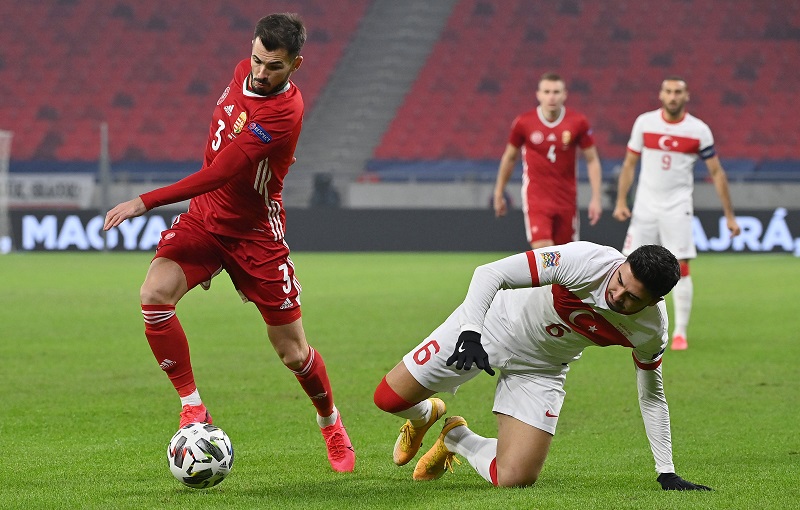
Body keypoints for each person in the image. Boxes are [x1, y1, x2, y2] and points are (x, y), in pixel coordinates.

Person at [103, 13, 355, 473]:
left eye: (274, 66)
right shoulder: (241, 73)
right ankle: (193, 407)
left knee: (294, 353)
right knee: (154, 295)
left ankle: (330, 422)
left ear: (295, 65)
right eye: (257, 59)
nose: (260, 72)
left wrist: (145, 201)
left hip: (255, 234)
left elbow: (220, 172)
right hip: (205, 219)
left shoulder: (284, 112)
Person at [373, 241, 711, 491]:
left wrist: (666, 471)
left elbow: (652, 396)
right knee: (388, 399)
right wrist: (471, 332)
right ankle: (425, 415)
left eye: (632, 297)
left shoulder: (650, 331)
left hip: (543, 366)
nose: (616, 294)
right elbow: (490, 273)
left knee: (514, 478)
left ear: (654, 302)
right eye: (620, 280)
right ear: (622, 263)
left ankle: (456, 437)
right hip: (490, 325)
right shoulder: (584, 261)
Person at [612, 76, 741, 351]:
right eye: (668, 91)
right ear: (661, 94)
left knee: (681, 266)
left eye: (678, 92)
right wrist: (622, 200)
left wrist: (729, 215)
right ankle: (623, 323)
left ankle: (680, 332)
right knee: (628, 264)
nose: (673, 97)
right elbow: (629, 164)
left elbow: (716, 172)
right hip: (645, 206)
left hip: (677, 207)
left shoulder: (699, 130)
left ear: (686, 96)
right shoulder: (645, 123)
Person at [493, 72, 604, 250]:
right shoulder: (524, 122)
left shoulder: (578, 122)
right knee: (544, 250)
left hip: (567, 199)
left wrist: (596, 198)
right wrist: (499, 192)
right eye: (547, 92)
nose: (551, 97)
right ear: (538, 95)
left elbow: (592, 160)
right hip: (536, 198)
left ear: (564, 94)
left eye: (556, 92)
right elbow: (510, 157)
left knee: (565, 257)